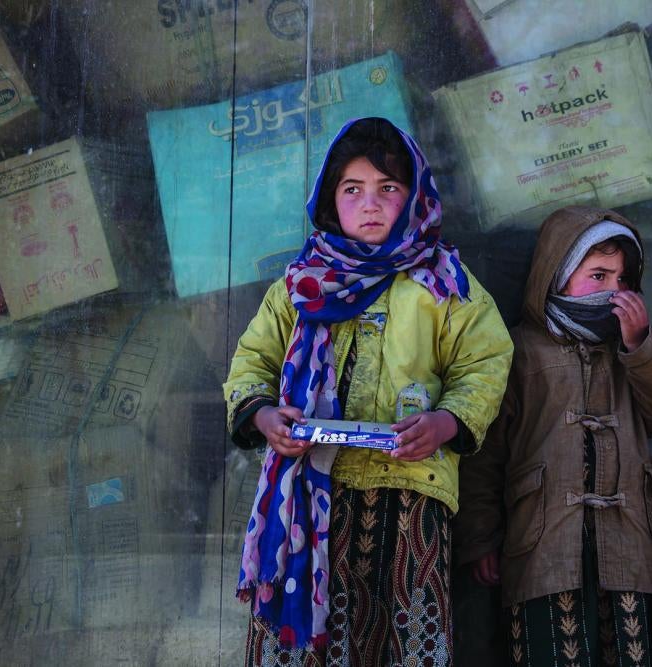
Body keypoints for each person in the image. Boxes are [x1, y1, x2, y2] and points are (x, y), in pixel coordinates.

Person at [223, 117, 513, 666]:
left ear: (416, 197)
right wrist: (263, 416)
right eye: (352, 189)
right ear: (331, 200)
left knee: (404, 640)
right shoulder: (300, 284)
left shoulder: (445, 281)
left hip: (409, 498)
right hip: (309, 494)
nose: (370, 203)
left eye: (388, 188)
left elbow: (486, 361)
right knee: (319, 647)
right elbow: (251, 363)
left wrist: (448, 422)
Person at [456, 205, 652, 667]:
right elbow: (486, 455)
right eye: (598, 276)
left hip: (631, 550)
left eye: (623, 280)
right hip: (545, 549)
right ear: (556, 275)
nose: (613, 292)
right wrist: (480, 539)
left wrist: (639, 346)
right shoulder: (519, 348)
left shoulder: (631, 346)